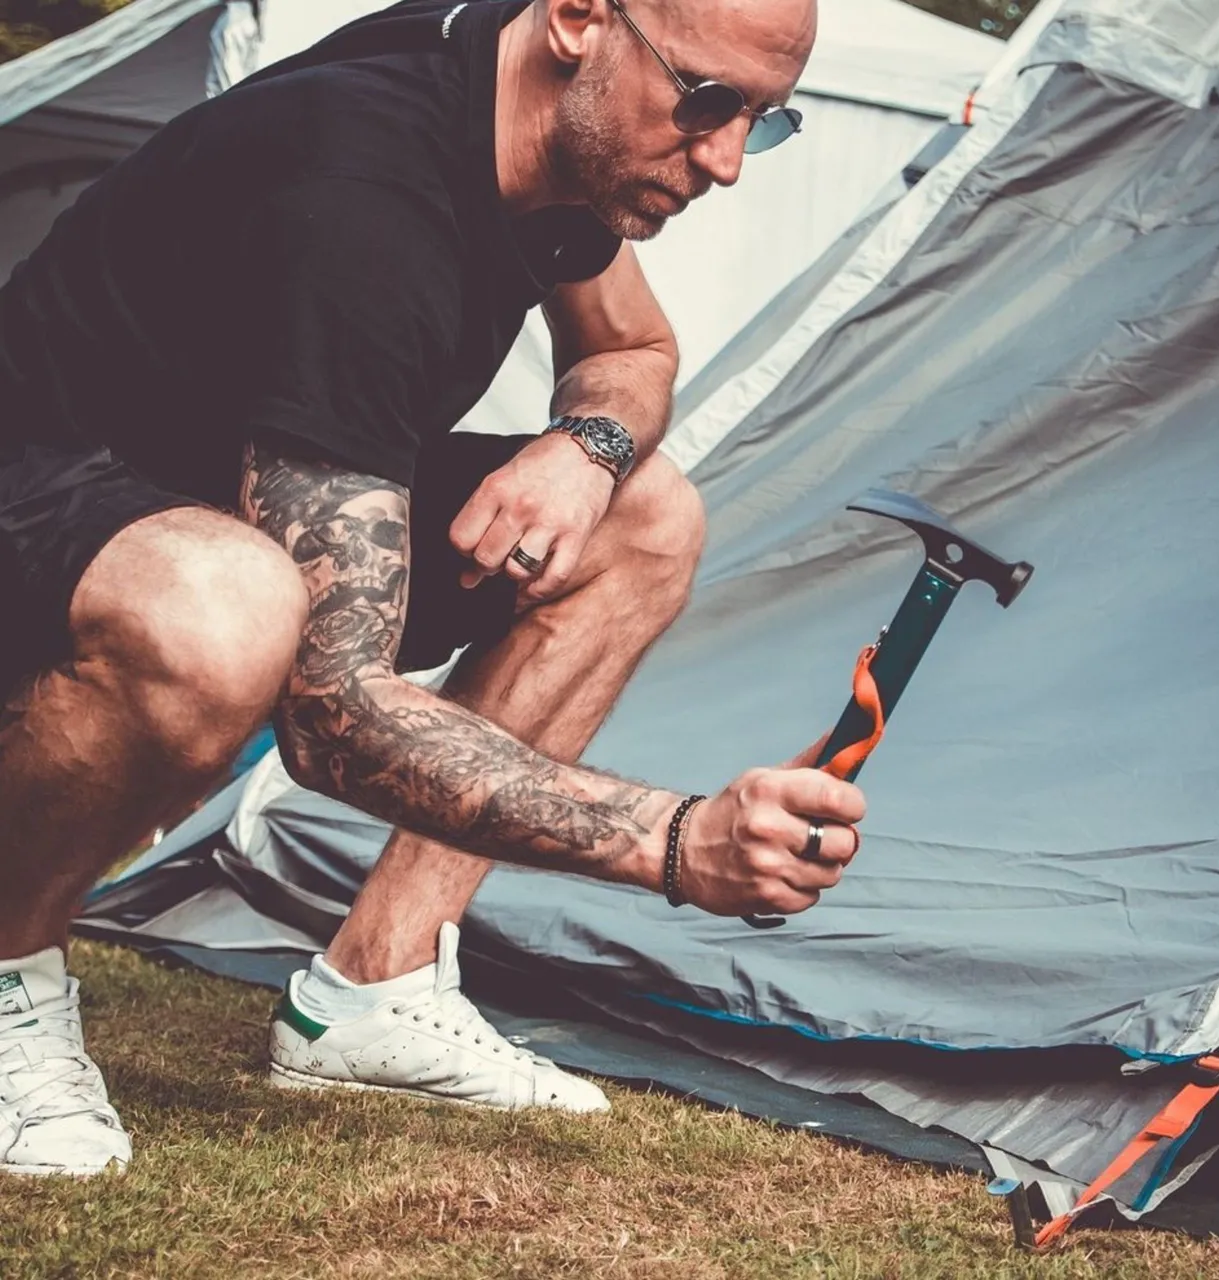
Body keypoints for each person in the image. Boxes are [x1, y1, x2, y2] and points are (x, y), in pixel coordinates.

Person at [0, 0, 865, 1177]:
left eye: (761, 123)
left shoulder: (542, 122)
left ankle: (376, 983)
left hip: (218, 494)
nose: (721, 162)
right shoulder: (360, 186)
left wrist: (587, 451)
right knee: (231, 610)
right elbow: (331, 715)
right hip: (42, 487)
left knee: (648, 515)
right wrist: (676, 841)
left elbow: (633, 355)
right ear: (577, 19)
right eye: (703, 102)